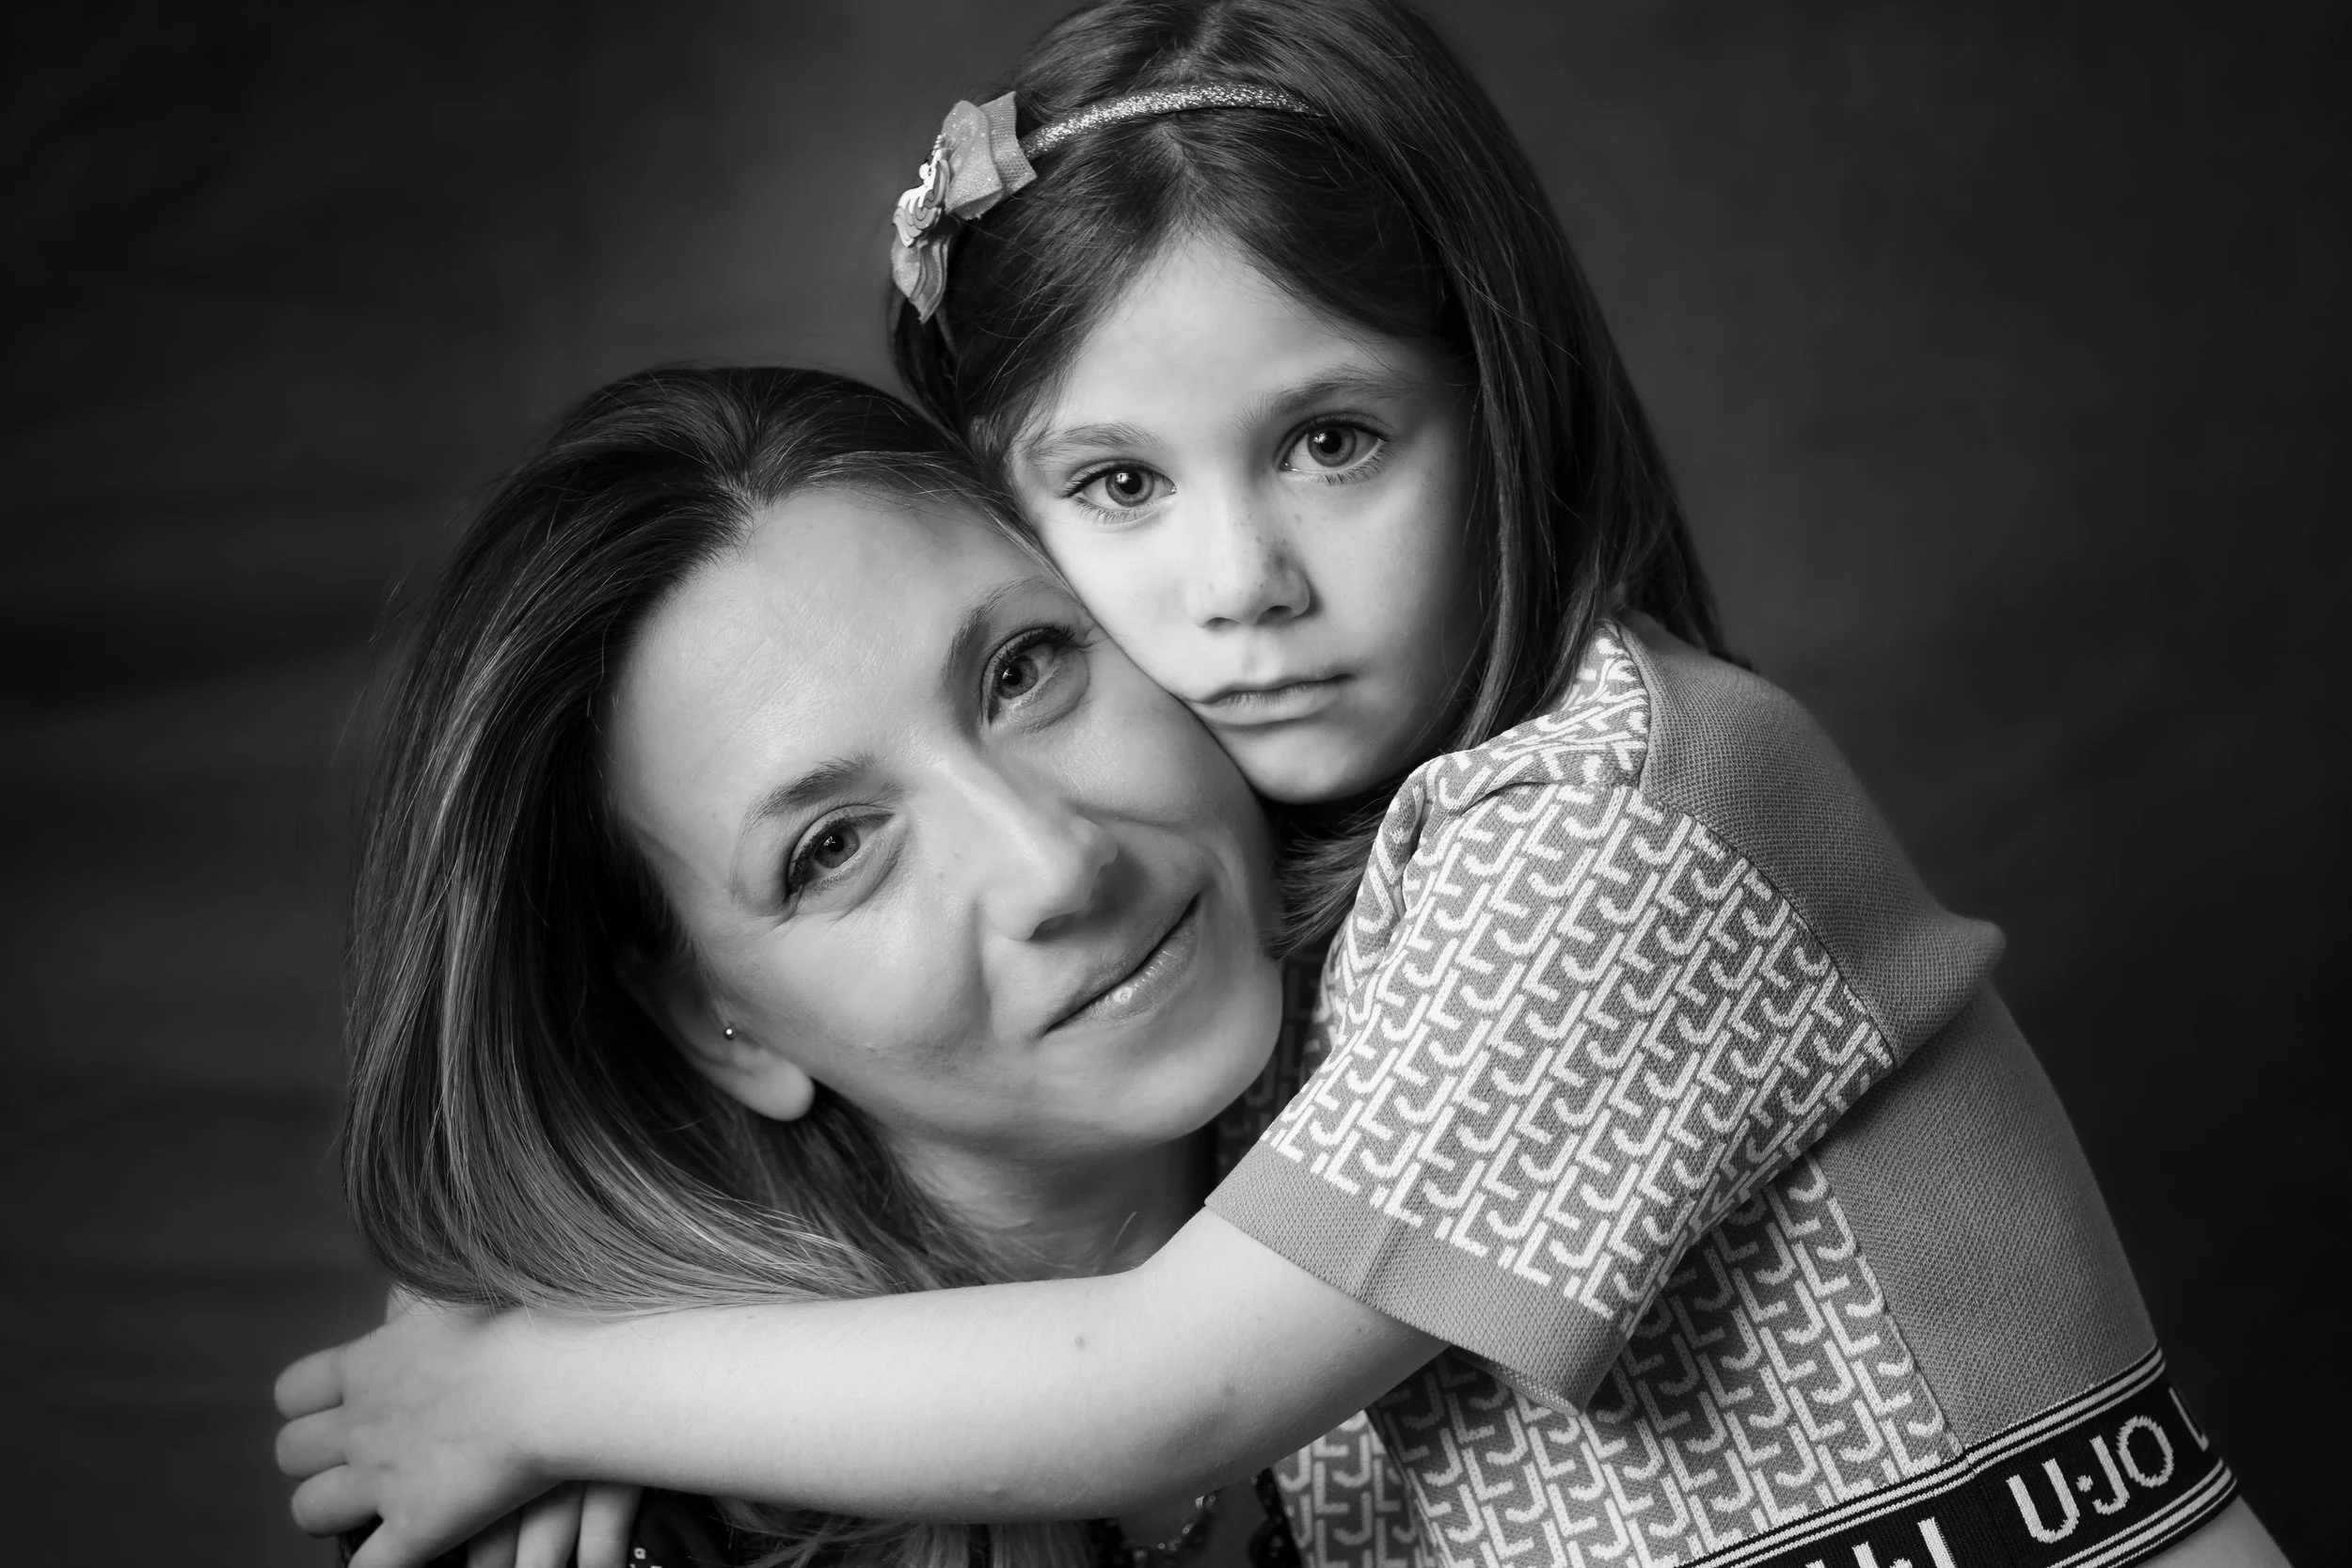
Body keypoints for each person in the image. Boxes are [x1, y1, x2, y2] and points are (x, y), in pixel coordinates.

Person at [277, 3, 2287, 1566]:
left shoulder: (1623, 810)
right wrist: (537, 1274)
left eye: (1329, 438)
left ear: (1492, 401)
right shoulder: (1316, 921)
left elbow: (1166, 1380)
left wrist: (546, 1376)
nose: (1237, 585)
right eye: (1121, 487)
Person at [284, 360, 1375, 1568]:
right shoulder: (617, 1538)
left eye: (1022, 670)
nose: (1055, 867)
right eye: (835, 848)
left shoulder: (1499, 928)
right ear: (712, 1022)